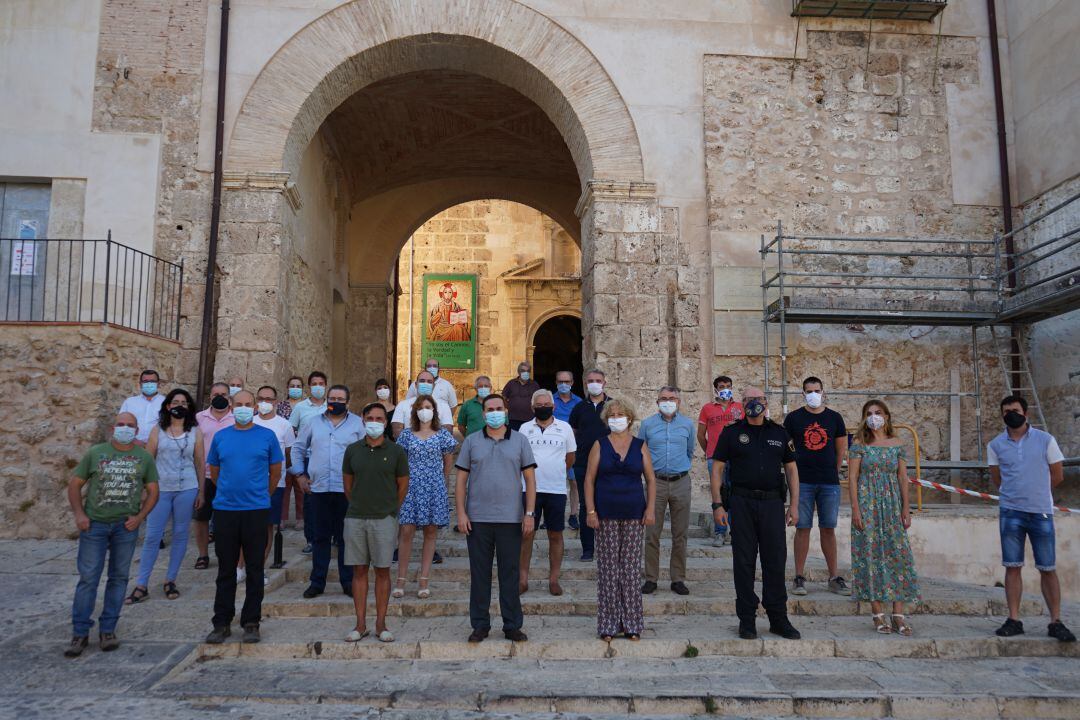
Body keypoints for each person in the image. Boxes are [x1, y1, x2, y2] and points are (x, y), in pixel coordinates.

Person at [64, 412, 159, 657]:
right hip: (94, 524)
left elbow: (153, 490)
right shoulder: (96, 453)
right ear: (112, 428)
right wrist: (79, 514)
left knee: (118, 578)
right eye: (121, 425)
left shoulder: (143, 457)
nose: (125, 428)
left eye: (130, 426)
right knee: (89, 578)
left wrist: (140, 517)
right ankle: (80, 632)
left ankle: (108, 629)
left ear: (137, 430)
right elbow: (75, 484)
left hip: (124, 526)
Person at [711, 387, 801, 641]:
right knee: (743, 562)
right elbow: (717, 469)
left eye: (759, 399)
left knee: (775, 561)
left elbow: (792, 470)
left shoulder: (780, 433)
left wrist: (794, 505)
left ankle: (778, 618)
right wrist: (717, 505)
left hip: (772, 504)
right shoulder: (731, 433)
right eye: (749, 400)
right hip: (741, 503)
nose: (754, 403)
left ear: (766, 402)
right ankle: (747, 620)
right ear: (742, 404)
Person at [989, 395, 1074, 642]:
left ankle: (1055, 620)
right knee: (1012, 566)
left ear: (1026, 413)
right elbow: (997, 479)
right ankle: (1014, 618)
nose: (1010, 414)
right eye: (1006, 411)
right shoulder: (995, 445)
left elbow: (1057, 475)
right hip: (1010, 512)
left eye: (1014, 410)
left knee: (1047, 567)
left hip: (1041, 512)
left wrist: (1035, 493)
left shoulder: (1046, 440)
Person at [455, 394, 537, 643]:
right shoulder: (471, 442)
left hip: (510, 519)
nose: (494, 412)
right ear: (483, 414)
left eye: (498, 408)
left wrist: (529, 513)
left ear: (506, 410)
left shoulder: (520, 441)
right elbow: (460, 481)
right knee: (479, 574)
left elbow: (530, 480)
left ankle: (512, 625)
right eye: (489, 409)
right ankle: (480, 624)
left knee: (509, 574)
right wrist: (461, 512)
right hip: (478, 519)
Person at [204, 390, 284, 644]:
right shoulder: (221, 437)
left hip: (256, 510)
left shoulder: (267, 436)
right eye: (238, 404)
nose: (243, 408)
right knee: (226, 570)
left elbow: (275, 472)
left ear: (254, 408)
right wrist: (230, 491)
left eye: (248, 405)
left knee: (254, 568)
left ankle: (251, 621)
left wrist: (259, 494)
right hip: (226, 510)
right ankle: (221, 622)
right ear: (231, 406)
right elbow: (215, 472)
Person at [584, 399, 656, 640]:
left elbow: (651, 479)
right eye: (612, 414)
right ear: (606, 419)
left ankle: (632, 623)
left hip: (634, 513)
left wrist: (650, 509)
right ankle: (608, 624)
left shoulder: (640, 445)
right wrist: (591, 511)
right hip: (605, 514)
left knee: (630, 570)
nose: (616, 418)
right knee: (608, 570)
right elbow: (589, 480)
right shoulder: (600, 445)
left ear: (630, 418)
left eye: (621, 414)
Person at [126, 389, 204, 604]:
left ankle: (171, 579)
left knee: (180, 534)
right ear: (168, 406)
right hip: (161, 488)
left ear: (189, 407)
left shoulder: (195, 432)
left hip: (187, 487)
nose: (180, 405)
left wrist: (201, 491)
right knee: (152, 535)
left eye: (184, 402)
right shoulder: (157, 431)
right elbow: (148, 460)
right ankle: (142, 583)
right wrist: (144, 489)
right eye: (176, 401)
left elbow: (199, 462)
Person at [848, 399, 919, 636]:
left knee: (897, 556)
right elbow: (853, 479)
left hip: (891, 506)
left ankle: (898, 613)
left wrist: (906, 508)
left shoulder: (898, 444)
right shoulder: (859, 444)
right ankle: (877, 613)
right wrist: (856, 509)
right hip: (868, 505)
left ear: (887, 416)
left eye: (878, 412)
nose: (874, 416)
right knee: (870, 556)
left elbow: (902, 478)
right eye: (869, 413)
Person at [342, 403, 409, 643]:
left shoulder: (396, 451)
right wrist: (359, 504)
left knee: (382, 570)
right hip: (356, 518)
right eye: (370, 417)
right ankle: (360, 624)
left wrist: (390, 509)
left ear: (386, 422)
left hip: (384, 518)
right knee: (359, 570)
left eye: (379, 418)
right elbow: (348, 484)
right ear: (362, 419)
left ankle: (381, 623)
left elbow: (402, 485)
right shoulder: (352, 450)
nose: (374, 421)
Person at [293, 384, 363, 598]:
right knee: (320, 537)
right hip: (319, 489)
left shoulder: (357, 424)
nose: (336, 402)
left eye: (340, 399)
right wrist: (299, 474)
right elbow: (298, 448)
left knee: (346, 537)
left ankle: (347, 581)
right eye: (332, 398)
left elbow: (366, 452)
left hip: (347, 490)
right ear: (327, 400)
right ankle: (317, 582)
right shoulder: (314, 423)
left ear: (347, 402)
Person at [784, 376, 849, 597]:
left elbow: (841, 449)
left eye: (817, 390)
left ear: (823, 392)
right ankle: (799, 577)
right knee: (802, 528)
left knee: (828, 528)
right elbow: (787, 448)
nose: (813, 394)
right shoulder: (793, 418)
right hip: (802, 482)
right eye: (809, 391)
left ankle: (833, 576)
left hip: (829, 482)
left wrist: (833, 469)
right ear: (803, 393)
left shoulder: (835, 418)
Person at [394, 395, 456, 599]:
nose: (424, 410)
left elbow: (448, 460)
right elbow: (400, 462)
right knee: (406, 531)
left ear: (434, 410)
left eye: (428, 407)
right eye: (420, 407)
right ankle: (401, 579)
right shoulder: (406, 435)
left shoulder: (442, 435)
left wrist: (444, 482)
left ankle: (424, 579)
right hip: (410, 487)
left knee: (430, 532)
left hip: (433, 487)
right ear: (415, 411)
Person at [519, 389, 576, 596]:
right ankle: (522, 579)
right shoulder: (524, 429)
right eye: (539, 405)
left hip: (555, 489)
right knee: (527, 534)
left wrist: (555, 470)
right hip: (528, 489)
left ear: (553, 406)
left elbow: (570, 457)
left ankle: (554, 579)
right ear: (533, 408)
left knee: (556, 534)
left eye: (547, 404)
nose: (543, 408)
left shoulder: (565, 428)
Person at [639, 386, 695, 596]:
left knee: (680, 533)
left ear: (679, 401)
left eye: (672, 398)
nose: (668, 401)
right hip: (656, 483)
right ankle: (651, 578)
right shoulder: (647, 425)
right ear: (657, 402)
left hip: (681, 481)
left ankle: (678, 578)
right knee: (652, 533)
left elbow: (690, 451)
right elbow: (641, 452)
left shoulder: (688, 425)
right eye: (663, 398)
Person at [567, 368, 610, 561]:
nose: (594, 383)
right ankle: (588, 549)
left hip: (608, 464)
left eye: (598, 380)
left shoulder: (613, 406)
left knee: (607, 505)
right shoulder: (579, 408)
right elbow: (574, 432)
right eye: (591, 380)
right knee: (586, 506)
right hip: (583, 463)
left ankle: (606, 548)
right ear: (585, 383)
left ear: (604, 383)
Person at [253, 385, 294, 578]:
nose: (265, 403)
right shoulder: (249, 423)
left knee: (267, 526)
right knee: (248, 527)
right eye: (261, 398)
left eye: (269, 399)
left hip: (275, 483)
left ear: (276, 402)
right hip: (249, 484)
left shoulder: (284, 425)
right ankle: (241, 567)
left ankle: (259, 569)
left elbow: (288, 454)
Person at [192, 382, 234, 569]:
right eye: (216, 393)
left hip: (229, 476)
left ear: (229, 396)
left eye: (223, 394)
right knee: (201, 517)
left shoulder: (236, 418)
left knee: (226, 518)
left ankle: (225, 554)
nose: (219, 397)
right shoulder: (199, 418)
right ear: (210, 396)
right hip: (204, 476)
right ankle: (202, 555)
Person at [698, 374, 743, 546]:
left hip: (737, 457)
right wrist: (710, 452)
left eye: (728, 386)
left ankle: (734, 531)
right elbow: (701, 435)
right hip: (716, 459)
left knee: (735, 493)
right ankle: (720, 532)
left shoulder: (740, 407)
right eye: (722, 386)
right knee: (719, 494)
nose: (725, 389)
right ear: (716, 389)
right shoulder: (707, 408)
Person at [290, 371, 329, 553]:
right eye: (315, 383)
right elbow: (292, 430)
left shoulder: (331, 406)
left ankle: (332, 536)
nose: (318, 386)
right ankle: (311, 539)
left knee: (331, 497)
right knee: (310, 500)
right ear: (309, 386)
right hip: (308, 457)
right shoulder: (300, 408)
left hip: (329, 458)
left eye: (321, 383)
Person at [553, 370, 582, 530]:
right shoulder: (550, 400)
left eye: (567, 381)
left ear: (572, 383)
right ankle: (551, 514)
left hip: (571, 447)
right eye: (560, 381)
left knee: (574, 482)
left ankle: (573, 514)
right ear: (556, 383)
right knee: (552, 481)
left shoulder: (579, 402)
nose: (563, 385)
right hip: (552, 448)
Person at [392, 370, 454, 437]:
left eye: (429, 382)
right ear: (416, 385)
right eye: (422, 381)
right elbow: (397, 431)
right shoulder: (402, 405)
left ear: (434, 386)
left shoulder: (444, 406)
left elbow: (447, 432)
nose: (425, 384)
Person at [278, 376, 305, 530]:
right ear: (287, 388)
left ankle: (301, 518)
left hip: (301, 449)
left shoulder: (306, 406)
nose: (295, 388)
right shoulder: (281, 406)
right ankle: (281, 517)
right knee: (284, 484)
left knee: (299, 485)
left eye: (298, 386)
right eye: (292, 385)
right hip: (284, 449)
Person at [119, 369, 165, 445]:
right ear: (140, 384)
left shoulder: (166, 403)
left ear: (158, 384)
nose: (149, 384)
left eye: (153, 381)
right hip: (133, 445)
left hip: (158, 447)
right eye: (145, 381)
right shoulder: (129, 402)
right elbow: (121, 424)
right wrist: (134, 441)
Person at [502, 361, 541, 430]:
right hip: (513, 419)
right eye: (523, 370)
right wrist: (508, 406)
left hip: (529, 419)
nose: (526, 372)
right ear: (518, 372)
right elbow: (504, 397)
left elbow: (539, 399)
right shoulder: (511, 383)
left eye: (528, 371)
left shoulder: (534, 384)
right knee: (514, 439)